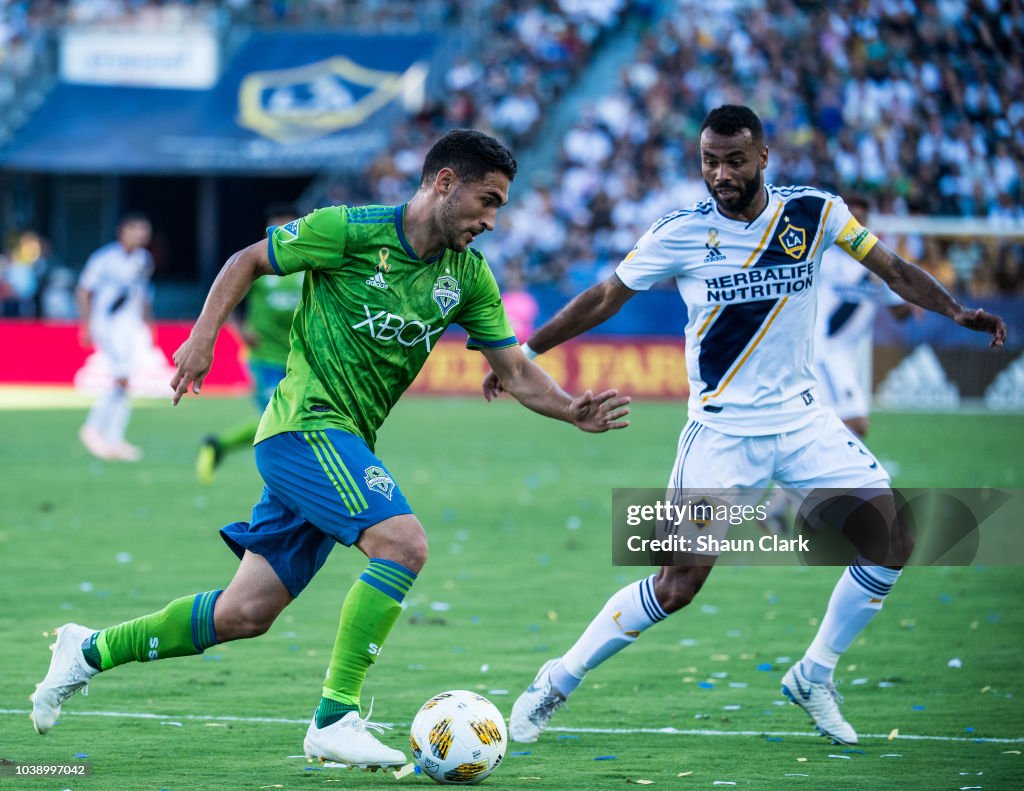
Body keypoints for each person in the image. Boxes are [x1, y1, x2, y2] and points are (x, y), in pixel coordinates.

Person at [30, 129, 631, 771]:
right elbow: (246, 261)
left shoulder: (468, 277)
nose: (491, 220)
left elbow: (512, 370)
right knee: (403, 544)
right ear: (444, 182)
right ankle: (333, 717)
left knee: (245, 612)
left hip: (341, 442)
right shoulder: (349, 230)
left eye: (500, 208)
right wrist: (203, 339)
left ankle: (87, 650)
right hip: (303, 427)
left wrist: (571, 409)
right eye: (487, 201)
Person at [485, 106, 1005, 747]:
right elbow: (603, 298)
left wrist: (956, 310)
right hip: (723, 434)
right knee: (677, 586)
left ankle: (814, 674)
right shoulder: (678, 233)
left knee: (892, 534)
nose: (720, 173)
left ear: (763, 158)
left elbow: (892, 270)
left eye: (734, 160)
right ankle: (556, 680)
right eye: (709, 160)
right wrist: (524, 356)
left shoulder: (815, 213)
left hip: (805, 422)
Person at [196, 203, 302, 483]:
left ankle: (218, 445)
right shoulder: (260, 264)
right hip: (264, 355)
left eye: (289, 225)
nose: (283, 231)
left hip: (299, 357)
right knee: (279, 418)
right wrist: (240, 329)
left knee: (291, 419)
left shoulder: (307, 266)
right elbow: (227, 295)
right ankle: (285, 480)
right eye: (278, 225)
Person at [813, 194, 914, 438]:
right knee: (855, 423)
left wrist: (908, 298)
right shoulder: (822, 256)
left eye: (861, 219)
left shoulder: (875, 265)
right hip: (823, 350)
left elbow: (901, 313)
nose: (856, 224)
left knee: (832, 424)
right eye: (852, 218)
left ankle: (822, 471)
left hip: (848, 354)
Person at [76, 212, 155, 462]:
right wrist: (86, 324)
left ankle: (111, 437)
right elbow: (84, 290)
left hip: (128, 325)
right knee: (122, 377)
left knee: (124, 379)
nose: (141, 235)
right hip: (107, 324)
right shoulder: (104, 259)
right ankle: (95, 430)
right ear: (123, 231)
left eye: (144, 230)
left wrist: (147, 321)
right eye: (136, 229)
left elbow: (141, 293)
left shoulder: (144, 259)